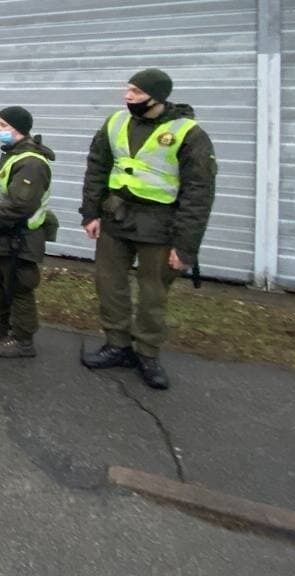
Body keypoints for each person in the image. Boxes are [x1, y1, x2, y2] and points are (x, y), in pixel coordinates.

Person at [80, 69, 217, 390]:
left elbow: (199, 193)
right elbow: (96, 167)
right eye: (127, 90)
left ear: (157, 97)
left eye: (136, 92)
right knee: (109, 284)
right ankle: (117, 344)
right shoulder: (115, 124)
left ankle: (147, 353)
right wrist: (90, 213)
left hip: (160, 226)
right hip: (116, 219)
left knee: (153, 294)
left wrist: (186, 247)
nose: (128, 96)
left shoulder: (189, 134)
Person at [0, 106, 56, 359]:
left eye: (3, 126)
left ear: (18, 129)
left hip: (20, 238)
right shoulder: (13, 155)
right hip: (3, 235)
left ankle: (22, 340)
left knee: (19, 288)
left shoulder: (31, 163)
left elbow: (21, 204)